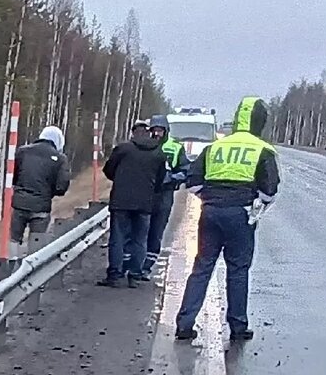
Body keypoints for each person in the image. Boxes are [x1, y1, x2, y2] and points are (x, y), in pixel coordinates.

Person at [175, 96, 280, 341]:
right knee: (238, 270)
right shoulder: (263, 150)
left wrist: (209, 198)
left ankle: (184, 323)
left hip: (210, 212)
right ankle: (238, 326)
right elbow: (270, 190)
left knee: (201, 267)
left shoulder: (215, 147)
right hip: (241, 214)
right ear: (260, 122)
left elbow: (192, 182)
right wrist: (256, 205)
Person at [99, 120, 170, 287]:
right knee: (140, 239)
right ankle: (135, 275)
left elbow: (108, 170)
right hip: (145, 203)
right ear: (148, 133)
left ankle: (115, 275)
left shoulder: (123, 149)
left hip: (121, 201)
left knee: (117, 238)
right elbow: (161, 179)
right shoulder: (158, 153)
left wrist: (120, 180)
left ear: (133, 133)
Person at [124, 115, 189, 275]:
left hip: (164, 195)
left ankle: (146, 267)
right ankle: (130, 265)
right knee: (136, 231)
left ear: (166, 130)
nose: (157, 134)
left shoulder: (175, 147)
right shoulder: (143, 145)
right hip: (144, 193)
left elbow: (185, 170)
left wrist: (172, 178)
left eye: (160, 130)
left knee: (156, 231)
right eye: (154, 130)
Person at [10, 125, 71, 256]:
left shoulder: (22, 151)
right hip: (41, 207)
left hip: (19, 204)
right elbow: (61, 187)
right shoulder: (60, 158)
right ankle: (32, 271)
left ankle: (9, 271)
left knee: (14, 240)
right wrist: (48, 192)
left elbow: (12, 177)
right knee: (37, 243)